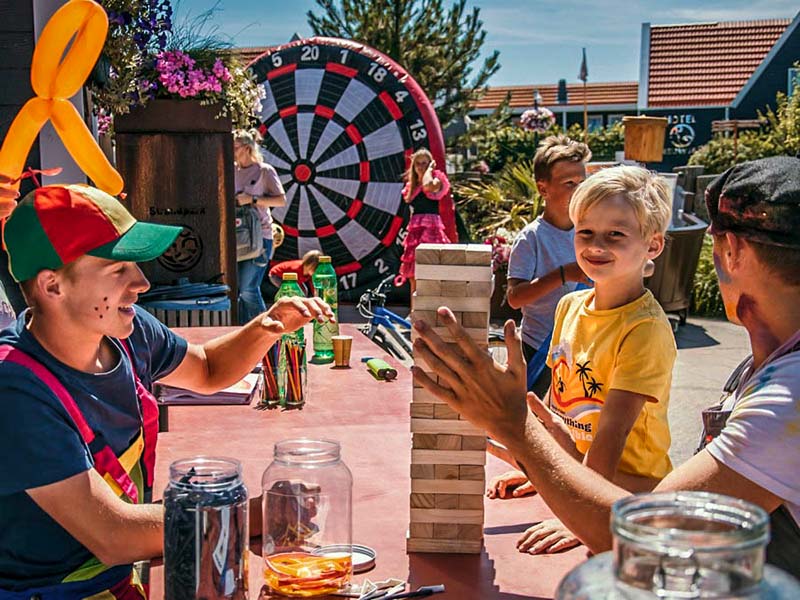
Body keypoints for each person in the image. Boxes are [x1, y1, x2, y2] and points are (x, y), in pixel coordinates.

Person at [412, 156, 800, 576]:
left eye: (616, 234)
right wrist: (550, 463)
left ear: (732, 250)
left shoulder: (787, 399)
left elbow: (647, 533)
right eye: (587, 232)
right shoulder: (765, 370)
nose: (597, 245)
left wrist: (515, 427)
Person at [0, 184, 333, 597]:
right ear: (53, 286)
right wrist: (249, 515)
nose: (141, 282)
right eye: (117, 269)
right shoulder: (15, 391)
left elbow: (208, 369)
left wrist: (268, 326)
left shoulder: (129, 330)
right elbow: (113, 534)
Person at [505, 135, 593, 399]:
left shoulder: (592, 230)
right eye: (569, 184)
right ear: (544, 189)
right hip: (540, 348)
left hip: (583, 348)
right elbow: (514, 298)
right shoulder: (531, 238)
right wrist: (563, 275)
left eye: (582, 182)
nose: (578, 190)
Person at [234, 128, 287, 323]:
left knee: (248, 289)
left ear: (247, 148)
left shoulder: (264, 171)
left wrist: (252, 199)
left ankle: (267, 329)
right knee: (238, 290)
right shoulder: (232, 170)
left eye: (235, 147)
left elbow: (281, 200)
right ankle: (245, 332)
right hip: (237, 237)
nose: (231, 150)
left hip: (261, 236)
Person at [398, 148, 451, 294]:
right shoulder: (411, 187)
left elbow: (428, 186)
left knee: (430, 270)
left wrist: (429, 170)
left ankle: (429, 307)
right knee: (413, 274)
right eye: (418, 164)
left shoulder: (436, 180)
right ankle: (415, 310)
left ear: (431, 164)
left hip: (431, 230)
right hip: (416, 232)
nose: (421, 167)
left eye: (425, 163)